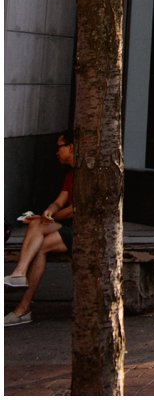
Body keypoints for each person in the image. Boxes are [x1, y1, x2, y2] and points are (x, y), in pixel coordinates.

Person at [4, 130, 75, 326]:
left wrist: (50, 217)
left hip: (82, 230)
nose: (56, 152)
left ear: (71, 147)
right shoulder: (70, 174)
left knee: (42, 246)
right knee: (36, 223)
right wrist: (48, 211)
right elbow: (60, 202)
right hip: (67, 225)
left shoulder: (88, 173)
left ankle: (23, 307)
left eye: (59, 147)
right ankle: (19, 273)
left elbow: (73, 211)